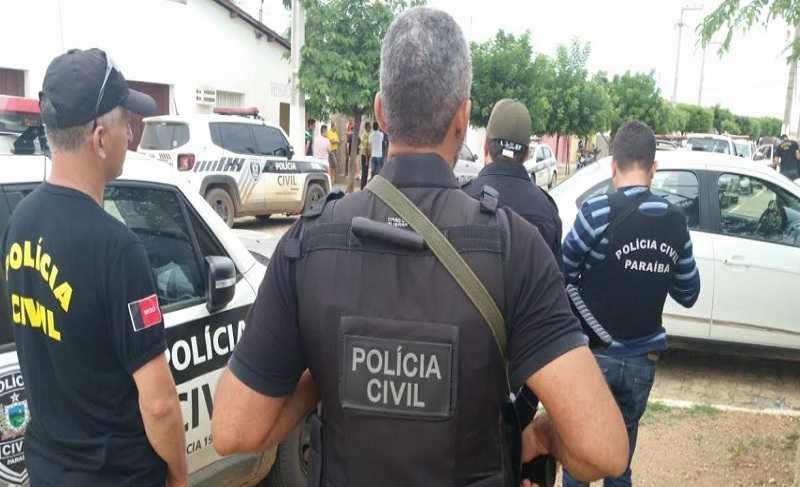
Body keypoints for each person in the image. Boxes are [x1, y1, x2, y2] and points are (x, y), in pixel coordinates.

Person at [212, 7, 628, 487]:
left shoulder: (308, 244)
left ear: (381, 111)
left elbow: (235, 429)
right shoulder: (515, 250)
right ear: (463, 117)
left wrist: (328, 372)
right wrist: (541, 435)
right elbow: (602, 451)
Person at [0, 49, 187, 487]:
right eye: (125, 122)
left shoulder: (20, 222)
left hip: (47, 471)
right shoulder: (118, 249)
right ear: (100, 138)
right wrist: (179, 476)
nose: (131, 134)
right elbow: (159, 404)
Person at [561, 121, 701, 487]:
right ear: (654, 168)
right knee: (619, 464)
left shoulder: (595, 212)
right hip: (642, 360)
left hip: (594, 355)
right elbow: (689, 292)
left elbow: (563, 271)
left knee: (578, 462)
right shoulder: (676, 222)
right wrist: (658, 265)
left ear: (613, 165)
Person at [463, 99, 563, 262]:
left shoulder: (462, 197)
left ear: (486, 145)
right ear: (526, 154)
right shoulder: (546, 209)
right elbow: (555, 275)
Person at [359, 121, 372, 189]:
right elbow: (365, 148)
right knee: (365, 172)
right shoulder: (365, 135)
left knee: (365, 172)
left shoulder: (366, 134)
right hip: (365, 156)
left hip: (365, 155)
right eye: (369, 127)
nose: (370, 128)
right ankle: (363, 187)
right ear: (367, 127)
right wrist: (367, 159)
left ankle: (363, 186)